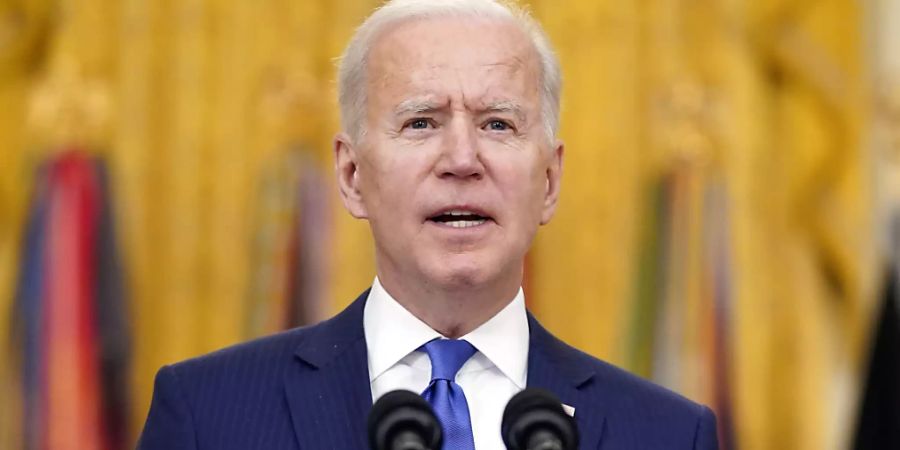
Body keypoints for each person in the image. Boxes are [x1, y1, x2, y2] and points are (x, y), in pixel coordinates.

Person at [137, 1, 719, 449]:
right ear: (351, 175)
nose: (462, 159)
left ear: (549, 180)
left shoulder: (667, 434)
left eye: (497, 124)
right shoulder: (207, 415)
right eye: (420, 122)